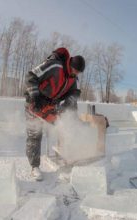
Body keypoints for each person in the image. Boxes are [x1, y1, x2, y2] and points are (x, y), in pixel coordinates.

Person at [24, 47, 85, 181]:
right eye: (75, 71)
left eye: (78, 73)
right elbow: (31, 76)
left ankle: (69, 160)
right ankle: (35, 167)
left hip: (50, 106)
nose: (76, 74)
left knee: (64, 129)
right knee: (35, 134)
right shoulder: (55, 66)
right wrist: (35, 96)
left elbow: (74, 95)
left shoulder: (73, 79)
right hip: (35, 103)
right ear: (70, 65)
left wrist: (68, 111)